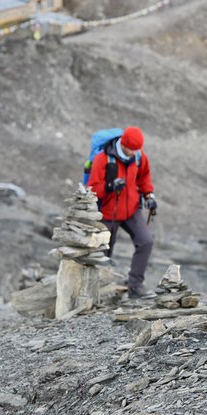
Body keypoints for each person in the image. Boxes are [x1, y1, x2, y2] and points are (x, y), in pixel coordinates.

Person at [85, 126, 158, 299]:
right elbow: (92, 189)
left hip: (131, 209)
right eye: (131, 149)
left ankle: (135, 286)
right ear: (123, 144)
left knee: (146, 241)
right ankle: (99, 292)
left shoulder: (139, 157)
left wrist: (149, 196)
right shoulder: (103, 159)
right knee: (104, 252)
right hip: (107, 213)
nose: (134, 152)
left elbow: (144, 178)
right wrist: (109, 187)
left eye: (137, 149)